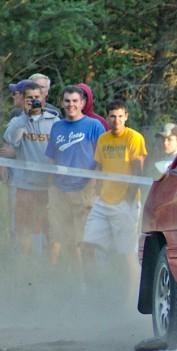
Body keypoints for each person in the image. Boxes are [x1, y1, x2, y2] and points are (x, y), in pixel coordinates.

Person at [82, 99, 147, 295]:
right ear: (107, 117)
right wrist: (94, 195)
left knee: (127, 254)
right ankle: (94, 292)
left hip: (125, 202)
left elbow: (138, 170)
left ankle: (132, 300)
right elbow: (99, 169)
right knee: (87, 247)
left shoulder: (134, 138)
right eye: (112, 116)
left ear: (126, 117)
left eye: (120, 116)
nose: (116, 120)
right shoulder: (103, 139)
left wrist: (128, 201)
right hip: (103, 201)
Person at [44, 85, 105, 267]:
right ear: (62, 103)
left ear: (83, 103)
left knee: (83, 240)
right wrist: (51, 186)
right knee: (58, 237)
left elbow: (102, 160)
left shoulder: (94, 126)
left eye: (75, 101)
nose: (71, 105)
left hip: (84, 189)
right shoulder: (57, 127)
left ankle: (85, 282)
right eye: (67, 101)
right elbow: (51, 158)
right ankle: (57, 276)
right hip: (59, 189)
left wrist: (95, 186)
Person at [0, 82, 59, 255]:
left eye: (37, 98)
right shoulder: (18, 121)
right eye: (30, 98)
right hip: (24, 184)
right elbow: (11, 141)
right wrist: (25, 117)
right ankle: (25, 266)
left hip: (48, 185)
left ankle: (49, 269)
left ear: (43, 99)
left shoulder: (55, 121)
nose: (34, 101)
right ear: (24, 100)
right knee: (23, 228)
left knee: (49, 229)